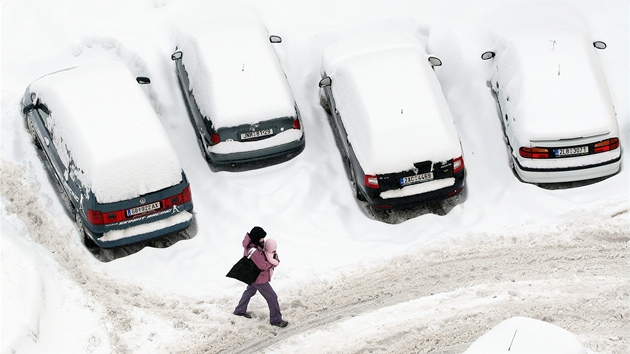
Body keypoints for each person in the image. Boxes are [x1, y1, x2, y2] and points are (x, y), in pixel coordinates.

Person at [233, 226, 288, 328]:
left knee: (250, 291)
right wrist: (273, 264)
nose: (263, 240)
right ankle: (276, 320)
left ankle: (239, 310)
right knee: (272, 297)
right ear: (256, 238)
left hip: (253, 276)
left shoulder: (254, 245)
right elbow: (262, 265)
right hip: (258, 278)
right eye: (261, 238)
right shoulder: (253, 251)